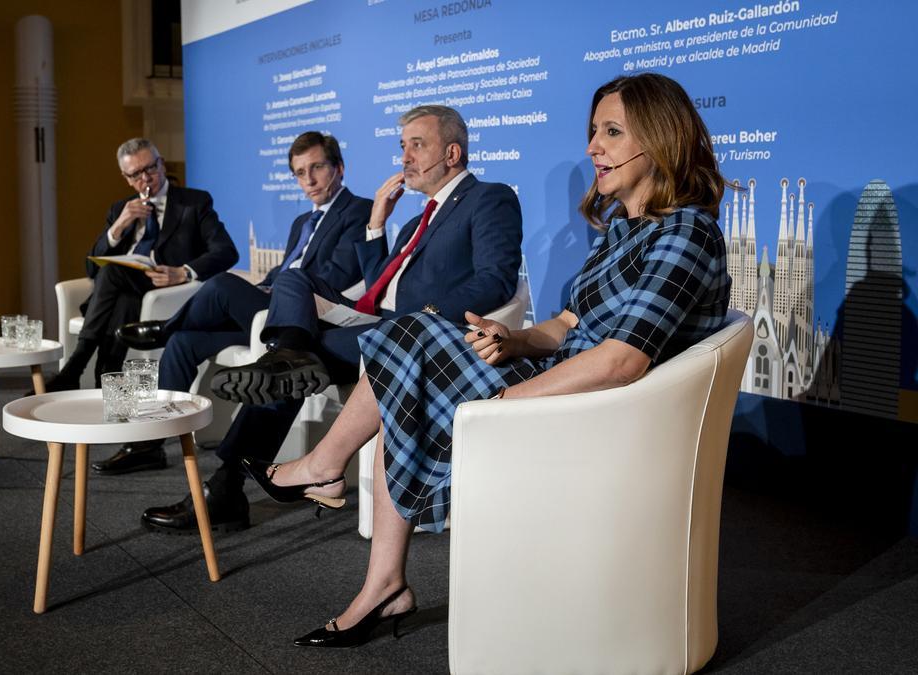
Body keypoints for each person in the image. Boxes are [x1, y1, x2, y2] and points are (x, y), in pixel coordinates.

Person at [249, 72, 733, 648]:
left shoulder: (687, 232)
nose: (591, 147)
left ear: (662, 138)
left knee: (408, 347)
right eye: (593, 131)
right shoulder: (625, 229)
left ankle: (336, 494)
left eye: (611, 132)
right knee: (404, 356)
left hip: (594, 415)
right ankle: (371, 559)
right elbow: (569, 323)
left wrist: (505, 401)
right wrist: (513, 340)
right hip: (561, 380)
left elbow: (622, 361)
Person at [139, 105, 524, 534]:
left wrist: (423, 319)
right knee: (295, 283)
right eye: (403, 146)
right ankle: (284, 359)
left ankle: (225, 488)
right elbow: (381, 283)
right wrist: (377, 224)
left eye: (418, 145)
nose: (405, 157)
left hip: (411, 334)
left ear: (452, 153)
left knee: (287, 369)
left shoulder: (490, 198)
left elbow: (496, 281)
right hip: (375, 322)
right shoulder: (418, 217)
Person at [89, 131, 371, 475]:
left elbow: (336, 278)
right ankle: (150, 444)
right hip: (271, 308)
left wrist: (276, 290)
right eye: (299, 172)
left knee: (222, 284)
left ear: (339, 168)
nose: (308, 180)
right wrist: (267, 287)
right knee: (183, 344)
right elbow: (284, 271)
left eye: (317, 168)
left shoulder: (359, 211)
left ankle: (164, 328)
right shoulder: (301, 222)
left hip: (306, 315)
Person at [43, 138, 238, 391]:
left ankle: (75, 367)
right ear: (126, 178)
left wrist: (183, 272)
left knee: (113, 273)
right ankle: (108, 380)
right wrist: (119, 226)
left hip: (167, 291)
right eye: (136, 174)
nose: (145, 178)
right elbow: (91, 269)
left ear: (162, 165)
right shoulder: (120, 210)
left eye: (150, 168)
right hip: (125, 294)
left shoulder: (194, 203)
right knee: (122, 295)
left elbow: (227, 251)